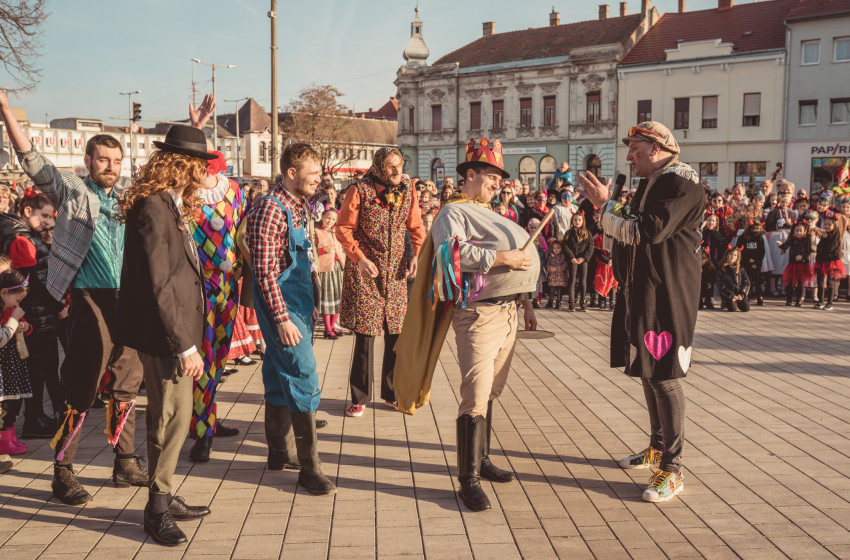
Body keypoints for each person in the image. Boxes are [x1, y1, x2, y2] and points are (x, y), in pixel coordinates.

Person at [0, 90, 147, 505]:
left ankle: (125, 462)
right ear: (88, 161)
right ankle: (62, 472)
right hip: (88, 299)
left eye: (116, 161)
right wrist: (7, 112)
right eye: (103, 160)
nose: (111, 167)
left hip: (125, 299)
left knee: (127, 384)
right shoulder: (73, 191)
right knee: (81, 388)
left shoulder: (127, 198)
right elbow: (33, 161)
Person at [393, 136, 539, 512]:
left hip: (507, 312)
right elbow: (450, 252)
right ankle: (468, 479)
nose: (497, 184)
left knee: (489, 391)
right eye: (492, 177)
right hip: (478, 314)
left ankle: (482, 459)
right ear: (470, 174)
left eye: (500, 179)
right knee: (475, 394)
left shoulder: (488, 212)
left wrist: (525, 302)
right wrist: (505, 258)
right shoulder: (451, 213)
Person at [578, 121, 704, 503]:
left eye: (636, 148)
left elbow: (647, 230)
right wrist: (608, 212)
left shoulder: (681, 183)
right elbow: (624, 232)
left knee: (664, 377)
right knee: (648, 372)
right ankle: (657, 447)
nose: (630, 156)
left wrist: (607, 206)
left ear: (657, 148)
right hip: (642, 289)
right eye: (630, 149)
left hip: (668, 294)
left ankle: (673, 468)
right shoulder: (653, 183)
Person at [115, 124, 214, 545]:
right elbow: (159, 283)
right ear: (184, 165)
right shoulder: (155, 208)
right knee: (171, 420)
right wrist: (185, 345)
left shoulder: (167, 203)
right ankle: (156, 508)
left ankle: (164, 495)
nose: (208, 172)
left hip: (172, 331)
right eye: (202, 164)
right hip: (166, 336)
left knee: (170, 417)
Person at [245, 143, 335, 495]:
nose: (319, 179)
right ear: (291, 173)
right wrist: (282, 320)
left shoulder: (299, 206)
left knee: (277, 371)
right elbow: (265, 273)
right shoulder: (270, 208)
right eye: (313, 174)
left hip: (298, 303)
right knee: (302, 374)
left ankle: (279, 453)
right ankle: (310, 469)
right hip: (282, 305)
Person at [336, 147, 424, 417]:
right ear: (378, 167)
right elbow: (343, 229)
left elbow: (416, 226)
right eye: (390, 166)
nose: (397, 171)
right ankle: (360, 396)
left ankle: (391, 393)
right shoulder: (359, 190)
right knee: (365, 336)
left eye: (399, 165)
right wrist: (359, 259)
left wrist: (416, 254)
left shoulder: (408, 189)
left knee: (396, 335)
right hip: (367, 273)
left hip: (396, 273)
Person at [187, 145, 250, 463]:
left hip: (227, 286)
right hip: (197, 287)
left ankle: (206, 417)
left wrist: (244, 266)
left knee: (219, 358)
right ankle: (202, 432)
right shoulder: (186, 194)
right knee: (204, 359)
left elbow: (243, 231)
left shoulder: (235, 191)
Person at [0, 189, 64, 438]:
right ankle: (34, 419)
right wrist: (58, 307)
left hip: (39, 312)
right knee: (39, 369)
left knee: (44, 367)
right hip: (36, 313)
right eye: (44, 216)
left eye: (50, 217)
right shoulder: (22, 239)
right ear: (27, 211)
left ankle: (40, 417)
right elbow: (34, 282)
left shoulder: (27, 236)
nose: (47, 221)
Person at [0, 268, 32, 457]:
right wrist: (13, 320)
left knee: (13, 402)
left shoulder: (10, 308)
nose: (18, 304)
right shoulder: (6, 312)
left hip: (11, 362)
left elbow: (22, 325)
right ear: (4, 292)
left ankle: (9, 438)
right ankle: (4, 441)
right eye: (17, 300)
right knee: (4, 405)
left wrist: (25, 326)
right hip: (3, 364)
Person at [314, 208, 346, 339]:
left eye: (333, 219)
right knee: (327, 298)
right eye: (328, 218)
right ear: (322, 216)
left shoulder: (336, 231)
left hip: (338, 268)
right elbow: (313, 251)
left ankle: (333, 326)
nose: (330, 221)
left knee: (338, 296)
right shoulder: (316, 232)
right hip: (326, 269)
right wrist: (323, 250)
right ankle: (327, 329)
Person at [562, 212, 594, 312]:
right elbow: (565, 246)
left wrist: (584, 258)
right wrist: (571, 257)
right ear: (572, 221)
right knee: (572, 280)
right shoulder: (568, 233)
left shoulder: (587, 233)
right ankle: (571, 303)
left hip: (583, 260)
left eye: (579, 220)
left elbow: (590, 246)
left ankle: (583, 302)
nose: (577, 222)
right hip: (573, 260)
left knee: (583, 281)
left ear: (583, 221)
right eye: (575, 220)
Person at [778, 222, 813, 307]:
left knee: (800, 283)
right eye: (796, 231)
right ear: (793, 231)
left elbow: (808, 250)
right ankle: (789, 300)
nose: (798, 233)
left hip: (802, 264)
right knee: (790, 282)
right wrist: (781, 245)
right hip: (793, 263)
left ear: (804, 231)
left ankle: (799, 300)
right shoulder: (792, 239)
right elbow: (785, 246)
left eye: (800, 231)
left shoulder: (807, 239)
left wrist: (802, 256)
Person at [814, 216, 845, 310]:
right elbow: (819, 248)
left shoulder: (836, 236)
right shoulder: (824, 235)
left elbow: (831, 248)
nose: (826, 226)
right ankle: (820, 301)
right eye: (825, 224)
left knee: (830, 282)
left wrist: (825, 238)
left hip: (831, 261)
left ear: (834, 225)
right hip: (821, 261)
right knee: (820, 281)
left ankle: (830, 303)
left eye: (829, 224)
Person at [716, 248, 750, 312]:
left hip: (739, 293)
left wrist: (742, 294)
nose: (733, 256)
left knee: (746, 308)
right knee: (733, 308)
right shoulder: (721, 269)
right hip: (728, 295)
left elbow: (746, 282)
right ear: (727, 255)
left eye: (735, 255)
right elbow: (721, 285)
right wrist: (731, 295)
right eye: (731, 254)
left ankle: (738, 301)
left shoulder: (741, 269)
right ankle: (724, 303)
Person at [545, 240, 567, 309]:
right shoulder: (550, 256)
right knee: (551, 290)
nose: (556, 250)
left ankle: (558, 302)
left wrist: (556, 268)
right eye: (554, 248)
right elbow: (547, 263)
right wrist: (549, 268)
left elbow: (564, 265)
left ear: (561, 248)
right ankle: (550, 301)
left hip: (561, 277)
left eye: (558, 248)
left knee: (559, 291)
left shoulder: (563, 256)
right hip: (552, 277)